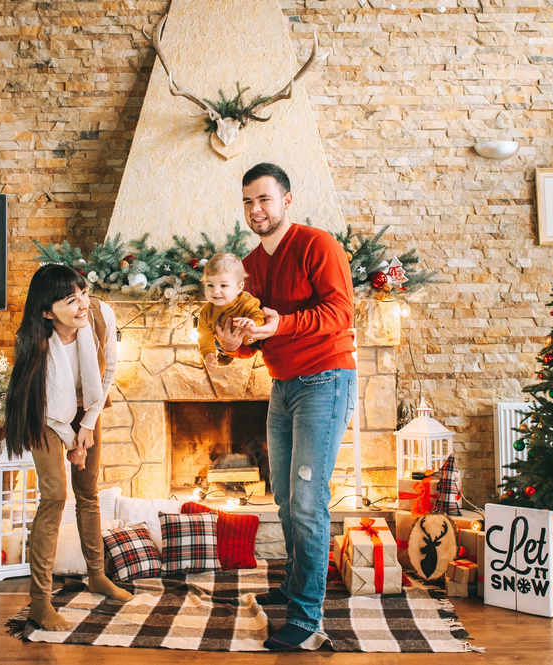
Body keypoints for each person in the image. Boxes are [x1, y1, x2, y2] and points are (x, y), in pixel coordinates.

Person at [215, 163, 358, 651]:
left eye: (264, 200)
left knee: (307, 503)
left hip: (326, 380)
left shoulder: (317, 245)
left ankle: (306, 619)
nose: (256, 210)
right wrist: (232, 342)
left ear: (287, 201)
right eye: (248, 202)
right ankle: (297, 583)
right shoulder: (252, 264)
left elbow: (340, 314)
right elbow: (257, 334)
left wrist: (282, 327)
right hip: (283, 387)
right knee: (283, 498)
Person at [5, 263, 132, 632]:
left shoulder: (100, 315)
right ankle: (40, 602)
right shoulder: (34, 341)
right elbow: (45, 404)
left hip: (88, 406)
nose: (82, 305)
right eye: (70, 301)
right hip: (45, 415)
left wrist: (88, 426)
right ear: (47, 311)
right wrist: (70, 440)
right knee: (56, 495)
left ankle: (97, 575)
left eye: (83, 294)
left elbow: (108, 373)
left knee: (88, 492)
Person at [196, 252, 266, 370]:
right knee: (216, 340)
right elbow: (204, 337)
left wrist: (252, 322)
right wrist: (207, 354)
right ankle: (224, 354)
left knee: (267, 341)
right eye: (210, 285)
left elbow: (259, 315)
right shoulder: (206, 313)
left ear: (238, 288)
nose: (215, 291)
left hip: (253, 339)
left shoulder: (246, 301)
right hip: (223, 339)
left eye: (223, 286)